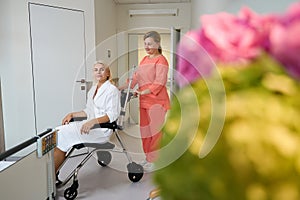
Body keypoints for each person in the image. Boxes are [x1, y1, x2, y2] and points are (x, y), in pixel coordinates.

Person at [54, 61, 120, 173]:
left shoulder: (112, 90)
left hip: (101, 130)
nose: (98, 72)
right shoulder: (93, 90)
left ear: (108, 73)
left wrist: (93, 122)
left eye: (102, 69)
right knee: (57, 131)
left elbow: (112, 115)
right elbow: (88, 111)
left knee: (63, 135)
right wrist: (72, 114)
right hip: (90, 126)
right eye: (95, 70)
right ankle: (51, 174)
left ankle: (52, 176)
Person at [120, 31, 171, 171]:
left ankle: (155, 160)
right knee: (145, 132)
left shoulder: (161, 60)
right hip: (144, 102)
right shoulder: (144, 60)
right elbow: (136, 78)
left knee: (155, 133)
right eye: (145, 44)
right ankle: (148, 157)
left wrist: (143, 91)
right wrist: (121, 87)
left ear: (158, 43)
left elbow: (159, 82)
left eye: (150, 43)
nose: (147, 46)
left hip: (157, 102)